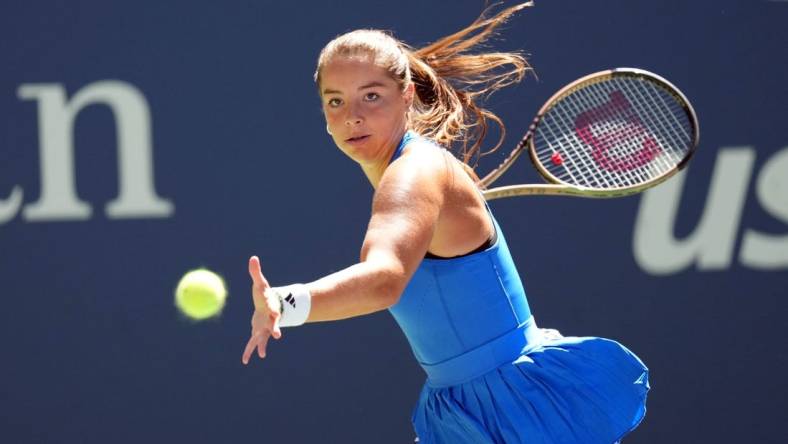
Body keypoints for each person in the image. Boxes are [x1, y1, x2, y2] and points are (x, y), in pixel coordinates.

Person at [241, 3, 649, 443]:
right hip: (460, 406)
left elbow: (384, 281)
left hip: (514, 403)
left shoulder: (413, 174)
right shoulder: (418, 171)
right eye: (335, 101)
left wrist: (286, 301)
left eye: (371, 95)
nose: (352, 116)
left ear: (407, 95)